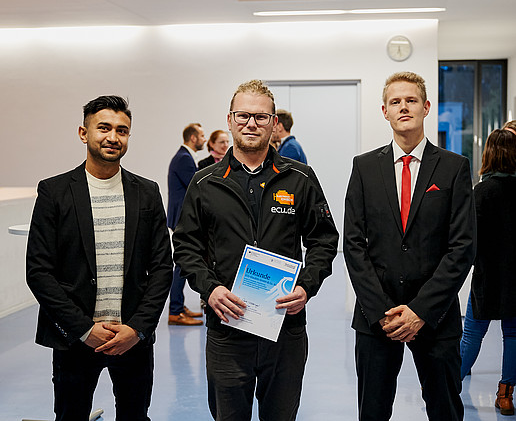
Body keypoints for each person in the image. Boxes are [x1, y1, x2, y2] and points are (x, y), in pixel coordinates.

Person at [173, 79, 339, 420]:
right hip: (227, 327)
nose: (252, 123)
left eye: (261, 117)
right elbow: (186, 245)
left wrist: (307, 285)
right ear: (230, 119)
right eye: (243, 115)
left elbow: (324, 238)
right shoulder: (205, 183)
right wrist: (210, 288)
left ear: (274, 123)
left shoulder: (300, 178)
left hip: (285, 329)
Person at [26, 95, 173, 421]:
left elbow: (162, 267)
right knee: (71, 415)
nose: (113, 137)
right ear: (83, 132)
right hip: (75, 339)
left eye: (122, 130)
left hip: (131, 339)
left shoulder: (146, 193)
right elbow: (39, 271)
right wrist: (83, 329)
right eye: (103, 127)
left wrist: (137, 329)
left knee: (135, 416)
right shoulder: (55, 192)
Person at [343, 71, 476, 421]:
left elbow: (462, 246)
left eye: (411, 100)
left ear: (426, 107)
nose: (404, 107)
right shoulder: (363, 168)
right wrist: (383, 312)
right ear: (384, 111)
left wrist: (420, 311)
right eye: (395, 101)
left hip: (436, 316)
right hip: (377, 318)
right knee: (372, 411)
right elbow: (354, 245)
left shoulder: (453, 168)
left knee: (445, 409)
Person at [460, 129, 516, 416]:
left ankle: (450, 380)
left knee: (472, 333)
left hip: (488, 275)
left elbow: (470, 238)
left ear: (489, 154)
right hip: (515, 277)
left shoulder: (481, 192)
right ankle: (505, 396)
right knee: (513, 334)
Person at [167, 123, 206, 326]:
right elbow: (196, 189)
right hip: (183, 219)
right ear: (192, 138)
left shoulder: (184, 157)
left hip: (180, 217)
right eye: (201, 135)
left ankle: (178, 306)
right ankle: (174, 310)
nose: (204, 139)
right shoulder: (184, 158)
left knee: (181, 264)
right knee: (181, 264)